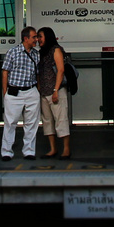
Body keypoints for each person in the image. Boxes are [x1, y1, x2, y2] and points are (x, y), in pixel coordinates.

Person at [0, 26, 40, 160]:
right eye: (34, 37)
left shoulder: (36, 54)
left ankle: (29, 151)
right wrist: (5, 92)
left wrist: (37, 90)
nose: (36, 40)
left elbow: (38, 74)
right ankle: (6, 151)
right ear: (26, 38)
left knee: (31, 123)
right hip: (14, 92)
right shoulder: (12, 52)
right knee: (10, 123)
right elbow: (5, 72)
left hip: (31, 91)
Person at [38, 27, 71, 159]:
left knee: (61, 119)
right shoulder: (41, 52)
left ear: (47, 36)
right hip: (44, 92)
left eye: (40, 36)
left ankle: (66, 149)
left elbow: (60, 70)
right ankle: (53, 149)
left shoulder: (56, 50)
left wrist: (55, 90)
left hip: (55, 90)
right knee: (47, 121)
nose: (38, 39)